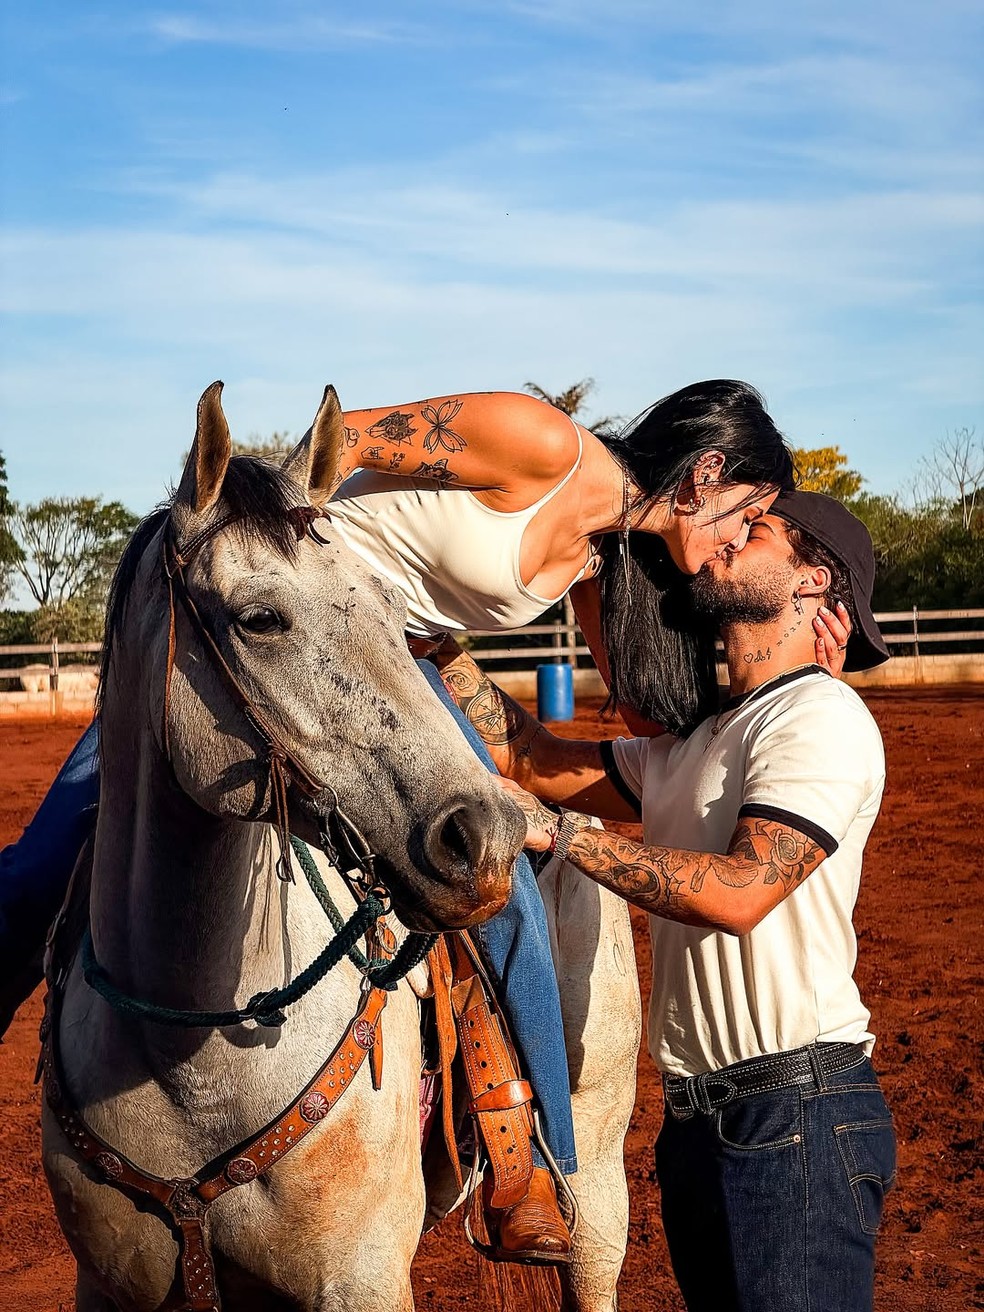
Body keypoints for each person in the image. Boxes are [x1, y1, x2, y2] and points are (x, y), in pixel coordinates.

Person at [0, 381, 841, 1263]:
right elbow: (343, 443)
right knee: (37, 867)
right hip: (291, 631)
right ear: (708, 472)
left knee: (506, 886)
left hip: (401, 674)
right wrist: (301, 584)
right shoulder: (546, 445)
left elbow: (640, 712)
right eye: (751, 513)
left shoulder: (601, 559)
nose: (740, 540)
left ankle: (537, 1163)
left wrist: (778, 673)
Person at [435, 490, 895, 1309]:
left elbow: (744, 891)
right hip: (701, 1128)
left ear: (812, 581)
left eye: (753, 531)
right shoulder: (697, 740)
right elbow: (534, 759)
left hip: (797, 1117)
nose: (720, 542)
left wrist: (563, 836)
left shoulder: (818, 716)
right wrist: (430, 644)